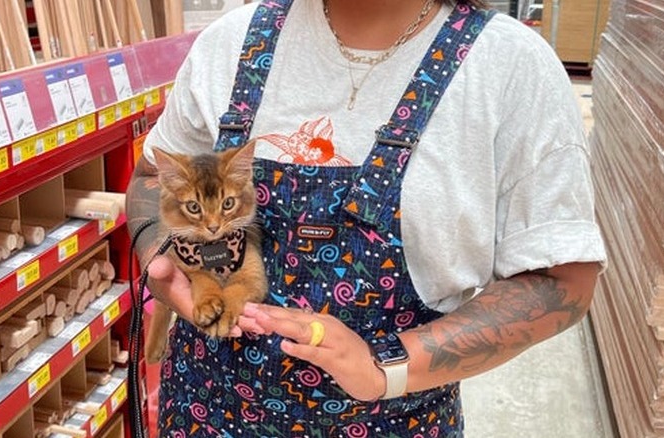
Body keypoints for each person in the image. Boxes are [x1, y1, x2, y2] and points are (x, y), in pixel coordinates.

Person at [126, 0, 607, 436]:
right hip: (204, 411)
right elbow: (151, 176)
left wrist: (386, 367)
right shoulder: (230, 42)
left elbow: (560, 280)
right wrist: (157, 255)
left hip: (392, 421)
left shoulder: (509, 67)